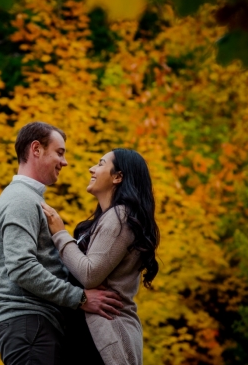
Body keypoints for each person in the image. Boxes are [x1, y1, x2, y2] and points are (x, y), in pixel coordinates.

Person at [0, 122, 125, 364]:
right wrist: (80, 297)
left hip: (36, 323)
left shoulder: (29, 198)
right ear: (36, 149)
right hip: (28, 322)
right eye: (59, 152)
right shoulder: (20, 199)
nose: (65, 162)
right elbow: (21, 267)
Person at [41, 148, 161, 365]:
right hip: (87, 334)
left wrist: (59, 233)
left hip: (105, 334)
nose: (92, 168)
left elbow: (90, 274)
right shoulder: (109, 218)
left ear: (118, 177)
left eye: (100, 163)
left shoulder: (121, 216)